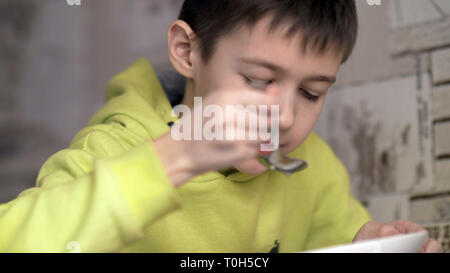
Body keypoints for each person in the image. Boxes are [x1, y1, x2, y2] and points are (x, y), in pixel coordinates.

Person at [0, 0, 442, 253]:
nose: (285, 117)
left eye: (311, 92)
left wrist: (368, 245)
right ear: (187, 52)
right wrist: (176, 157)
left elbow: (337, 242)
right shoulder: (112, 150)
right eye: (257, 81)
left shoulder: (313, 168)